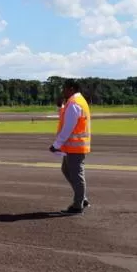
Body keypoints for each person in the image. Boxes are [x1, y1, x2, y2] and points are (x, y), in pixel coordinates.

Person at [50, 79, 92, 214]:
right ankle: (82, 198)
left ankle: (78, 205)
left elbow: (68, 126)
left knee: (77, 174)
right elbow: (66, 117)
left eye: (65, 88)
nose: (63, 91)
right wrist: (60, 107)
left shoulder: (74, 103)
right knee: (67, 170)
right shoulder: (75, 102)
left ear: (72, 89)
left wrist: (56, 144)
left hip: (75, 147)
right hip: (73, 147)